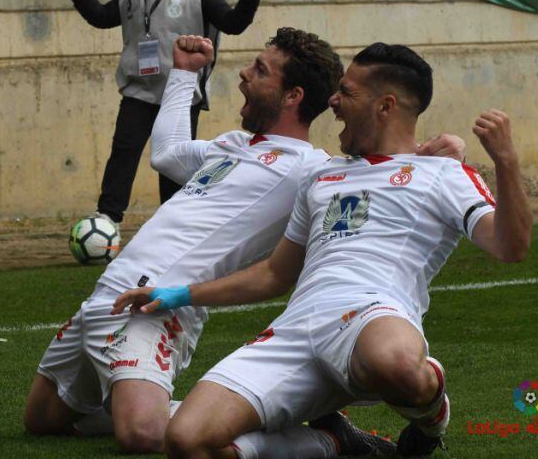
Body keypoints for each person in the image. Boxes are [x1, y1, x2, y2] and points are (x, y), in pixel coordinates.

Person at [24, 29, 464, 454]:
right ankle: (140, 400)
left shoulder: (309, 169)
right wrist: (182, 75)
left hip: (157, 305)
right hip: (107, 295)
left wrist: (432, 153)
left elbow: (376, 173)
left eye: (260, 70)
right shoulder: (234, 145)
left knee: (142, 434)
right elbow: (166, 153)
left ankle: (325, 439)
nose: (244, 75)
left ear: (292, 96)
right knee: (42, 422)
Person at [113, 42, 533, 458]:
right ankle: (331, 442)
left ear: (385, 106)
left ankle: (430, 415)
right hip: (295, 330)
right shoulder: (322, 175)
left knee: (395, 363)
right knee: (186, 440)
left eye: (347, 92)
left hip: (372, 314)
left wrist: (506, 161)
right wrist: (178, 294)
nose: (333, 100)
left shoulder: (444, 174)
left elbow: (510, 246)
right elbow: (275, 274)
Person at [62, 0, 261, 234]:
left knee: (173, 164)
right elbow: (101, 17)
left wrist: (249, 0)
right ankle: (107, 219)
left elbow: (232, 24)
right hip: (138, 92)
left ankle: (171, 225)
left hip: (180, 95)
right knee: (123, 153)